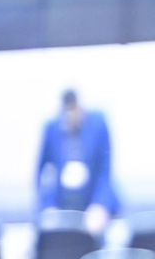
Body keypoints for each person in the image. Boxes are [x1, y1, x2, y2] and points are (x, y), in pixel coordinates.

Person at [35, 89, 120, 235]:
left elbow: (105, 170)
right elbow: (42, 172)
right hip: (63, 202)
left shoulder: (98, 124)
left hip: (94, 200)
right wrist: (48, 206)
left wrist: (100, 204)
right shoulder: (53, 128)